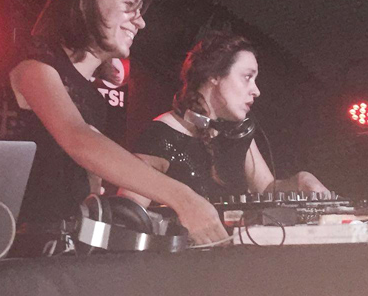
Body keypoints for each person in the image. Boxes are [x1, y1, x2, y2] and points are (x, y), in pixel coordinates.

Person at [8, 0, 227, 254]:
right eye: (128, 5)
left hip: (56, 256)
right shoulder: (34, 70)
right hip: (9, 255)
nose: (140, 21)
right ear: (85, 4)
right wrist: (183, 198)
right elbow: (78, 138)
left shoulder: (90, 95)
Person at [119, 31, 328, 209]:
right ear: (214, 75)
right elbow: (128, 215)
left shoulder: (235, 134)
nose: (256, 91)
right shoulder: (162, 135)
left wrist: (301, 180)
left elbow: (266, 189)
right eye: (247, 77)